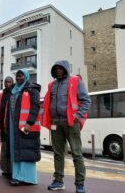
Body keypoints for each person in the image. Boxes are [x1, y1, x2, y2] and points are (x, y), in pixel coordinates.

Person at [42, 60, 91, 193]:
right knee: (58, 153)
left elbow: (86, 100)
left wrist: (77, 116)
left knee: (76, 153)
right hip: (55, 123)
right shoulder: (52, 85)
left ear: (65, 69)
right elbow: (48, 103)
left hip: (71, 123)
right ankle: (58, 181)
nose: (58, 70)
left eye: (60, 68)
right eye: (56, 68)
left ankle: (80, 184)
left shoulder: (75, 81)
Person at [8, 69, 41, 186]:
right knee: (16, 149)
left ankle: (28, 178)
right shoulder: (14, 90)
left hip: (26, 125)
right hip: (14, 125)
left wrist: (29, 123)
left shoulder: (32, 89)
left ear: (26, 77)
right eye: (17, 76)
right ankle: (16, 175)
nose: (18, 78)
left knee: (27, 150)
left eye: (21, 76)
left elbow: (36, 107)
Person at [0, 76, 14, 177]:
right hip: (3, 125)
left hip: (11, 125)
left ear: (12, 83)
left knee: (11, 148)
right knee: (4, 148)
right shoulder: (2, 95)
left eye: (9, 82)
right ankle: (5, 169)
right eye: (6, 82)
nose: (7, 84)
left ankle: (11, 170)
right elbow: (0, 110)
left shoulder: (14, 93)